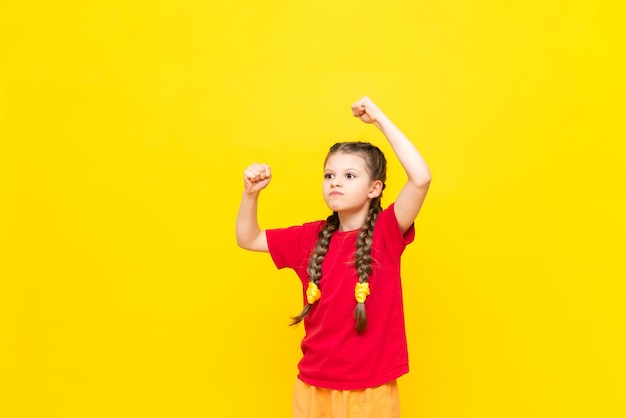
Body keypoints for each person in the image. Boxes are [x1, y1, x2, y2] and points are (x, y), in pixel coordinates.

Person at [236, 96, 431, 418]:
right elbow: (249, 239)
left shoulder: (387, 231)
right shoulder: (308, 238)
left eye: (350, 176)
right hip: (314, 385)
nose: (336, 182)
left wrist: (379, 119)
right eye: (329, 175)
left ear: (375, 188)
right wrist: (250, 194)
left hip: (371, 389)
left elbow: (421, 179)